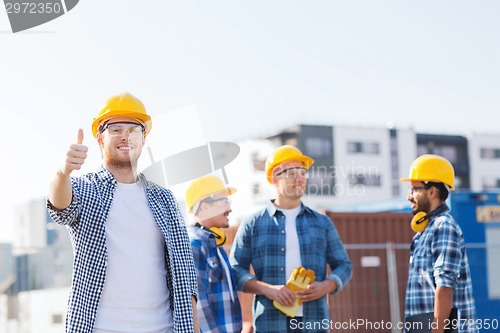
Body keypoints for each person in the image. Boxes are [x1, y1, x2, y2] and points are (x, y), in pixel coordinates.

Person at [47, 92, 199, 333]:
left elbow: (185, 275)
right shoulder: (84, 188)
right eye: (116, 129)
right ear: (99, 139)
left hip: (163, 328)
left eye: (134, 129)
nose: (126, 136)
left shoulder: (165, 199)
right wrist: (63, 172)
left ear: (144, 139)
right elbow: (60, 208)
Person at [230, 145, 352, 333]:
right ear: (274, 178)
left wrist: (326, 286)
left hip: (314, 322)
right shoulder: (252, 224)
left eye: (303, 172)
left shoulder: (322, 223)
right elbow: (235, 270)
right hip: (270, 323)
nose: (300, 178)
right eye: (291, 172)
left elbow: (344, 265)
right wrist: (269, 290)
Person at [400, 154, 477, 333]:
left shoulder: (444, 227)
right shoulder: (424, 232)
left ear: (432, 191)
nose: (409, 196)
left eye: (414, 189)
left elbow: (445, 286)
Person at [185, 175, 243, 333]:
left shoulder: (213, 243)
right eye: (224, 201)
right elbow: (197, 306)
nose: (229, 209)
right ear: (203, 207)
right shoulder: (194, 245)